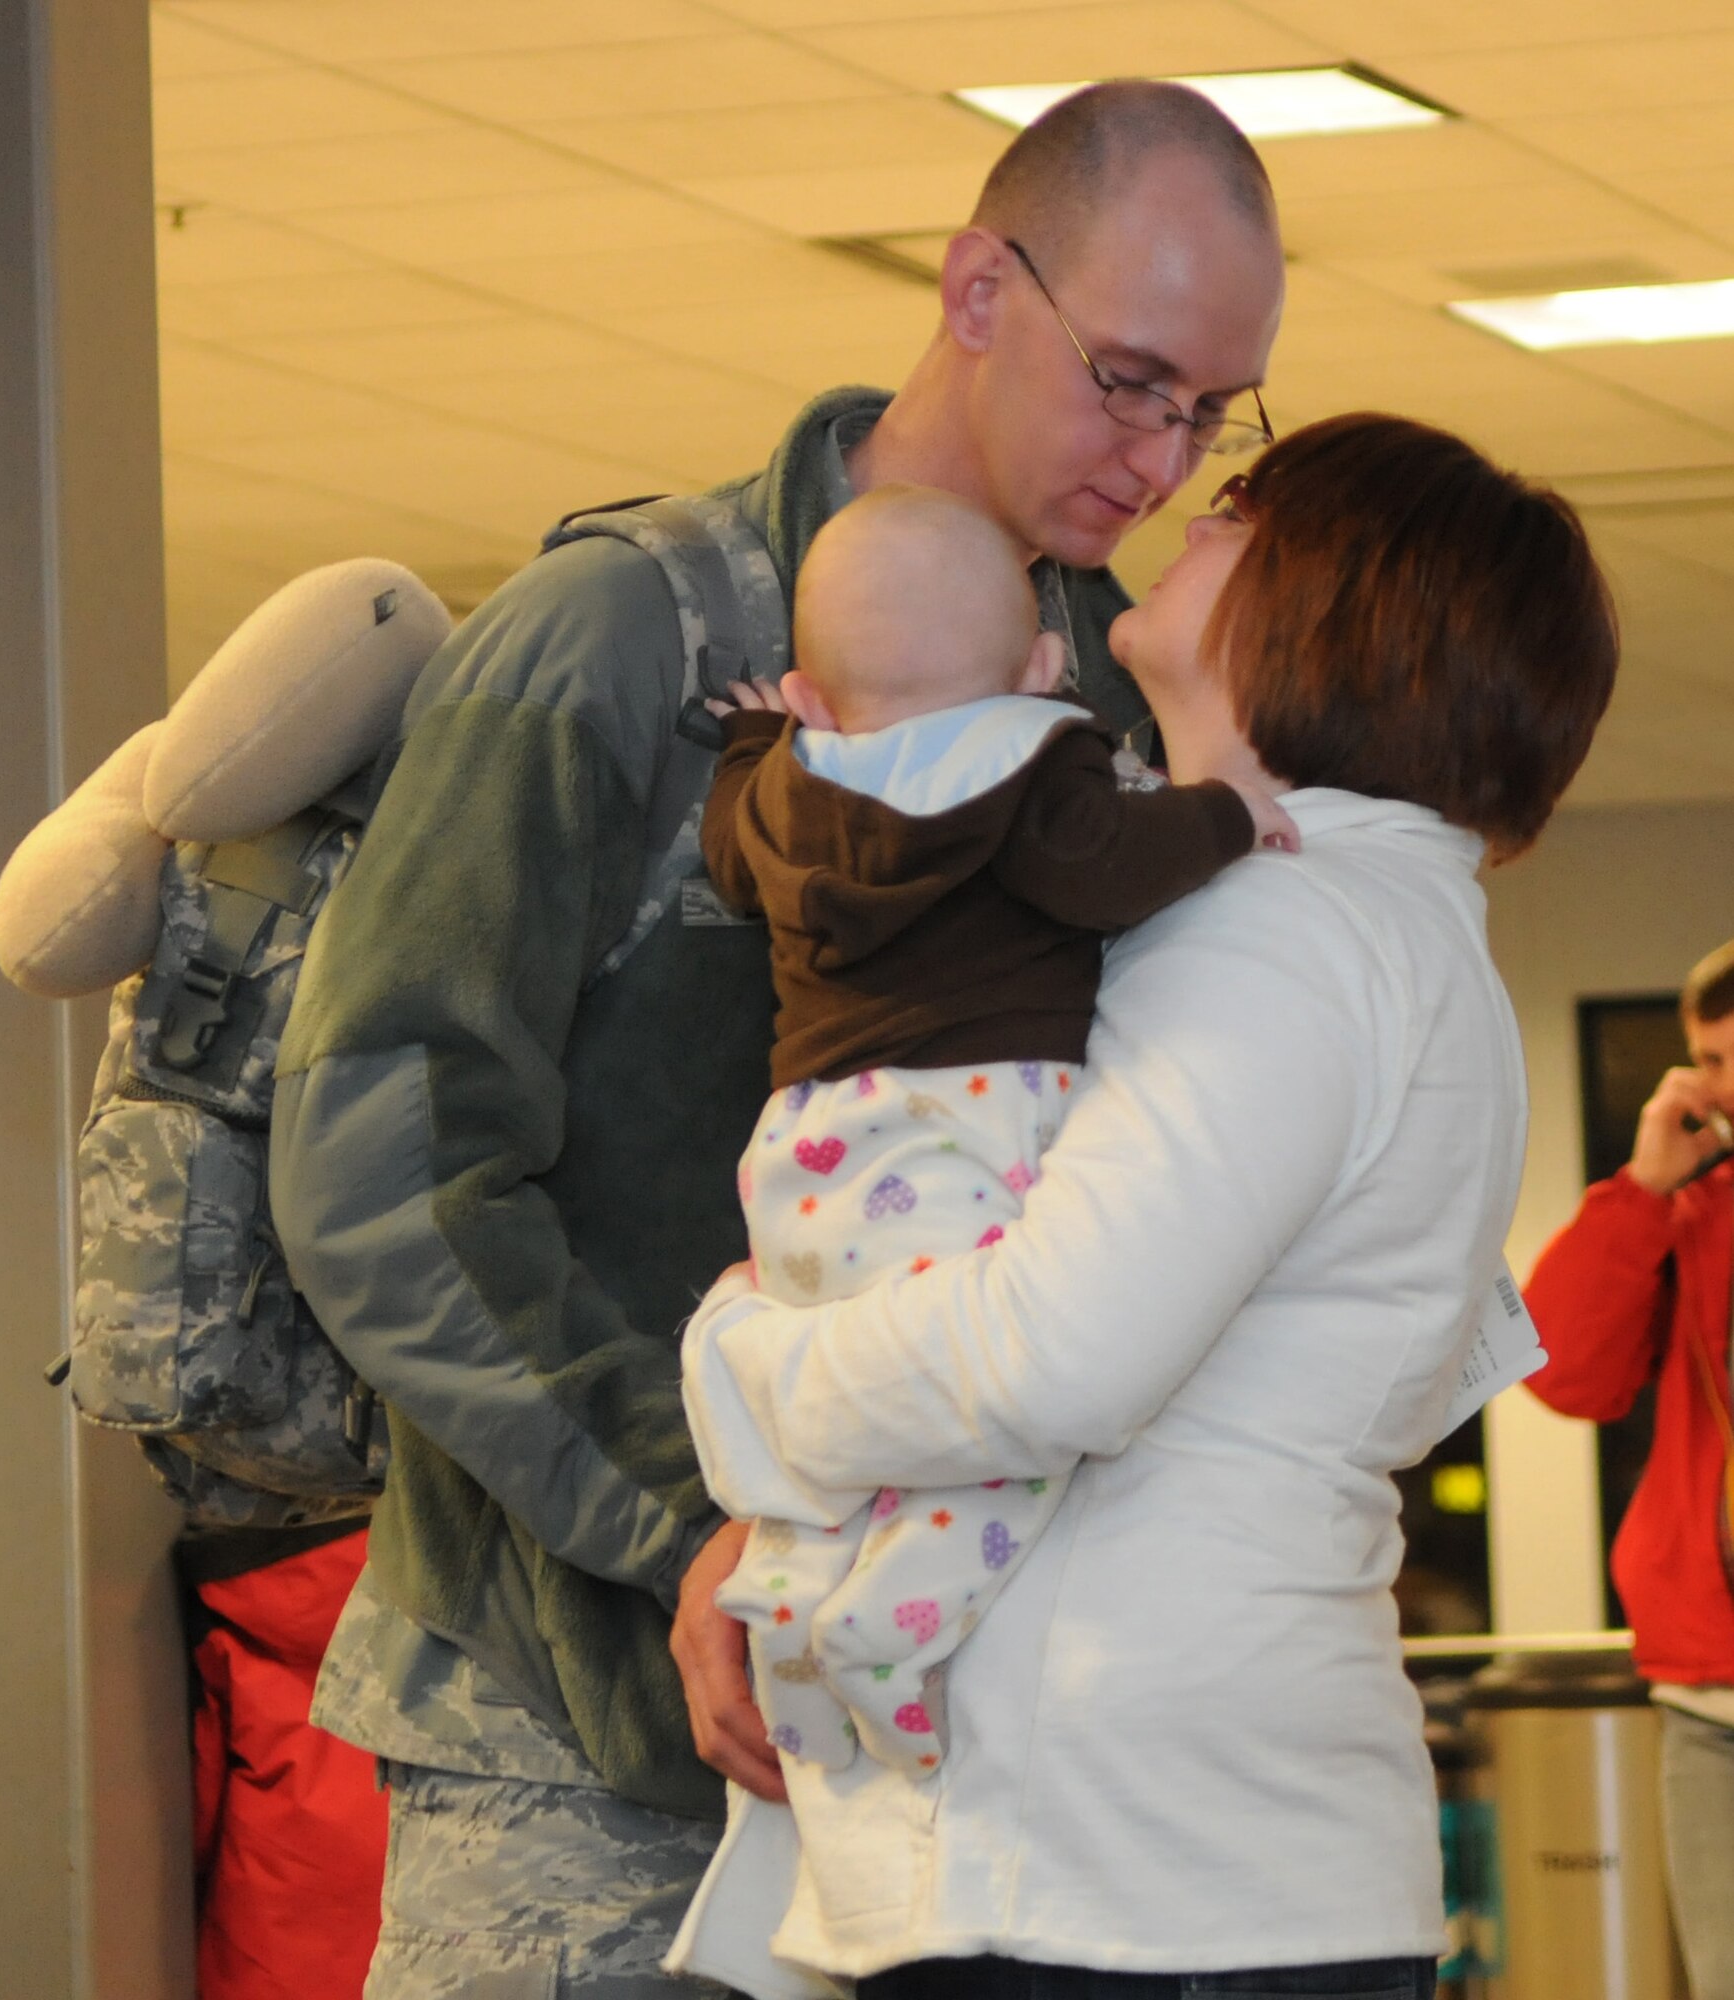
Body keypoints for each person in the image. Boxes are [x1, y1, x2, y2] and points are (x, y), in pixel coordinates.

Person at [270, 79, 1286, 1997]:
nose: (1161, 459)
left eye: (1213, 410)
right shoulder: (627, 646)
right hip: (585, 1762)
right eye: (1131, 378)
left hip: (961, 1772)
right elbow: (384, 1163)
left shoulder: (1119, 715)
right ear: (980, 285)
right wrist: (687, 1523)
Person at [670, 412, 1619, 2000]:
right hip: (1198, 1853)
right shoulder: (1386, 928)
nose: (1194, 507)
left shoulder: (1281, 931)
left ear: (1338, 593)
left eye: (1245, 505)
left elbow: (1055, 1360)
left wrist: (737, 1366)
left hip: (1117, 1871)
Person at [699, 482, 1293, 1776]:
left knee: (842, 1418)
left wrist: (749, 750)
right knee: (988, 1420)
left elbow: (729, 861)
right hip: (970, 1129)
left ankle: (789, 1609)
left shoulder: (783, 788)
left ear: (805, 693)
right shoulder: (1038, 760)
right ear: (1039, 666)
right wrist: (1226, 811)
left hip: (806, 1149)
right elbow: (1104, 869)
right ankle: (890, 1636)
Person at [1522, 941, 1734, 2000]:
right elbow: (1560, 1373)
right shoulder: (1692, 1216)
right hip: (1712, 1699)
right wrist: (1644, 1183)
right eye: (1710, 1059)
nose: (1727, 1086)